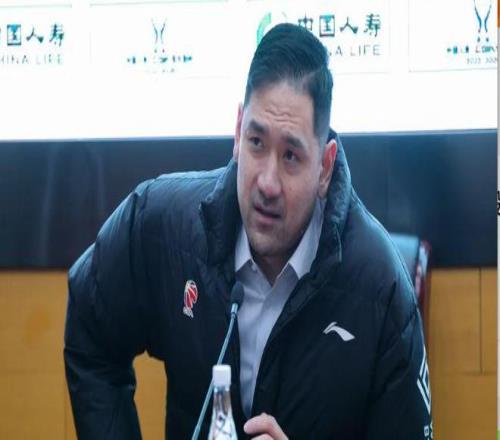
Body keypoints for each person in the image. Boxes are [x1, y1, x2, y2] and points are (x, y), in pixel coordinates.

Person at [64, 23, 432, 439]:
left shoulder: (380, 287)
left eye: (291, 156)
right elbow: (90, 326)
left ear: (325, 166)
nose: (267, 183)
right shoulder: (164, 225)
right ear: (238, 131)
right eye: (257, 142)